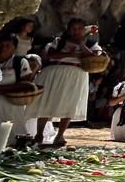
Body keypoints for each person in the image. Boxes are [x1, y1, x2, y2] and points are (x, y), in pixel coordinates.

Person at [35, 19, 103, 147]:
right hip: (56, 72)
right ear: (68, 29)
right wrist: (72, 53)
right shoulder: (59, 41)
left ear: (84, 29)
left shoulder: (90, 42)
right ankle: (39, 134)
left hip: (76, 74)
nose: (75, 31)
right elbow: (52, 54)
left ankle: (60, 135)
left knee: (69, 104)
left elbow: (96, 57)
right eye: (73, 28)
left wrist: (81, 45)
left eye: (79, 28)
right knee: (48, 101)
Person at [0, 34, 35, 145]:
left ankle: (13, 145)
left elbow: (25, 83)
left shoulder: (19, 62)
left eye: (8, 45)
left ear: (14, 48)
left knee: (12, 126)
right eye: (0, 45)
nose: (3, 48)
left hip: (11, 102)